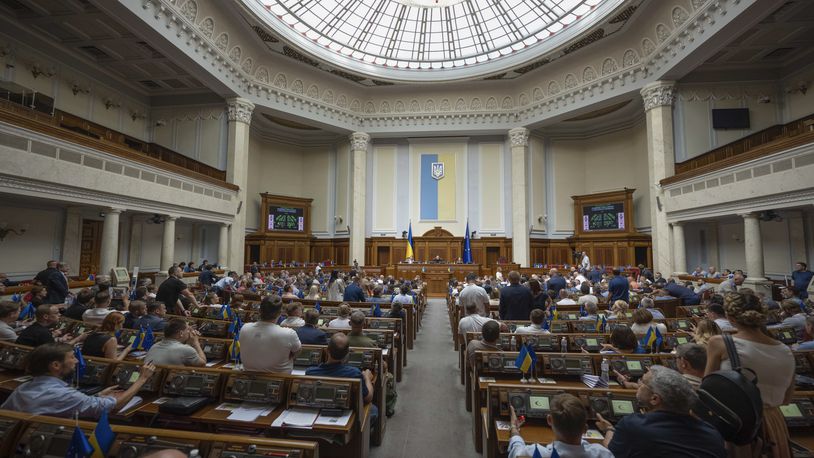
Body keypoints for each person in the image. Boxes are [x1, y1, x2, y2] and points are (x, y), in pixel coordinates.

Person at [705, 292, 795, 458]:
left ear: (730, 317)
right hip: (774, 423)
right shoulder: (786, 350)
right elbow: (786, 399)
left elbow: (708, 390)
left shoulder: (719, 343)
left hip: (736, 422)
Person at [596, 365, 726, 457]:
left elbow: (610, 453)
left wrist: (609, 430)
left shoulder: (633, 426)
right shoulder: (712, 433)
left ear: (654, 399)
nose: (638, 384)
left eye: (642, 383)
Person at [0, 343, 155, 419]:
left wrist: (99, 395)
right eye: (72, 357)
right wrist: (142, 379)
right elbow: (115, 405)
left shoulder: (23, 388)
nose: (76, 361)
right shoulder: (64, 395)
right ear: (55, 365)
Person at [306, 333, 377, 429]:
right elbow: (368, 398)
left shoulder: (310, 372)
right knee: (373, 410)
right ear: (348, 353)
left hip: (315, 413)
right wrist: (367, 378)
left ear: (327, 350)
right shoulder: (354, 373)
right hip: (345, 414)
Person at [508, 393, 612, 458]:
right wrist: (609, 429)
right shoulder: (602, 454)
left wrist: (514, 428)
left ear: (549, 420)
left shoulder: (534, 453)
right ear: (585, 429)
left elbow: (516, 450)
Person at [240, 295, 301, 373]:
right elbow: (297, 351)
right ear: (280, 313)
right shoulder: (289, 333)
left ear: (260, 311)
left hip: (248, 375)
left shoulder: (244, 328)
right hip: (281, 380)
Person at [17, 304, 86, 347]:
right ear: (46, 316)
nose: (60, 315)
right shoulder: (43, 333)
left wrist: (60, 339)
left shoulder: (33, 327)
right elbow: (57, 353)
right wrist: (78, 339)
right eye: (56, 313)